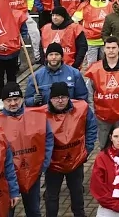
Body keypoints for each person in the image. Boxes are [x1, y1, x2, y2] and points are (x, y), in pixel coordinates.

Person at [0, 83, 50, 217]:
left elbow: (48, 139)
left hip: (32, 173)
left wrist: (43, 164)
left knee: (33, 211)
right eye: (8, 100)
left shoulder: (37, 116)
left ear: (22, 99)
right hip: (8, 178)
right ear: (2, 102)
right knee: (7, 211)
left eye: (16, 99)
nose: (13, 103)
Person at [35, 82, 95, 217]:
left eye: (63, 97)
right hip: (53, 164)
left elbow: (91, 128)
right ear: (50, 99)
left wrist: (87, 150)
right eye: (57, 98)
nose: (60, 101)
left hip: (76, 160)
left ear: (69, 97)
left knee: (77, 193)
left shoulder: (82, 108)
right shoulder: (41, 114)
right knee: (51, 196)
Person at [83, 37, 119, 150]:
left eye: (114, 48)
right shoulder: (95, 69)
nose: (111, 50)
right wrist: (92, 112)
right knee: (105, 147)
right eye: (108, 48)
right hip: (103, 119)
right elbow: (89, 93)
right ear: (104, 49)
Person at [23, 43, 89, 108]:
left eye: (57, 54)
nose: (54, 57)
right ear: (46, 57)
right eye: (51, 54)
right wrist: (33, 100)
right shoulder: (35, 77)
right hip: (45, 116)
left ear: (61, 56)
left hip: (69, 115)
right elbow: (26, 101)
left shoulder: (75, 73)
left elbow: (82, 98)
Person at [89, 125, 119, 217]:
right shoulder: (102, 157)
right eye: (116, 136)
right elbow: (98, 187)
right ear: (110, 137)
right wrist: (116, 205)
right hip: (109, 206)